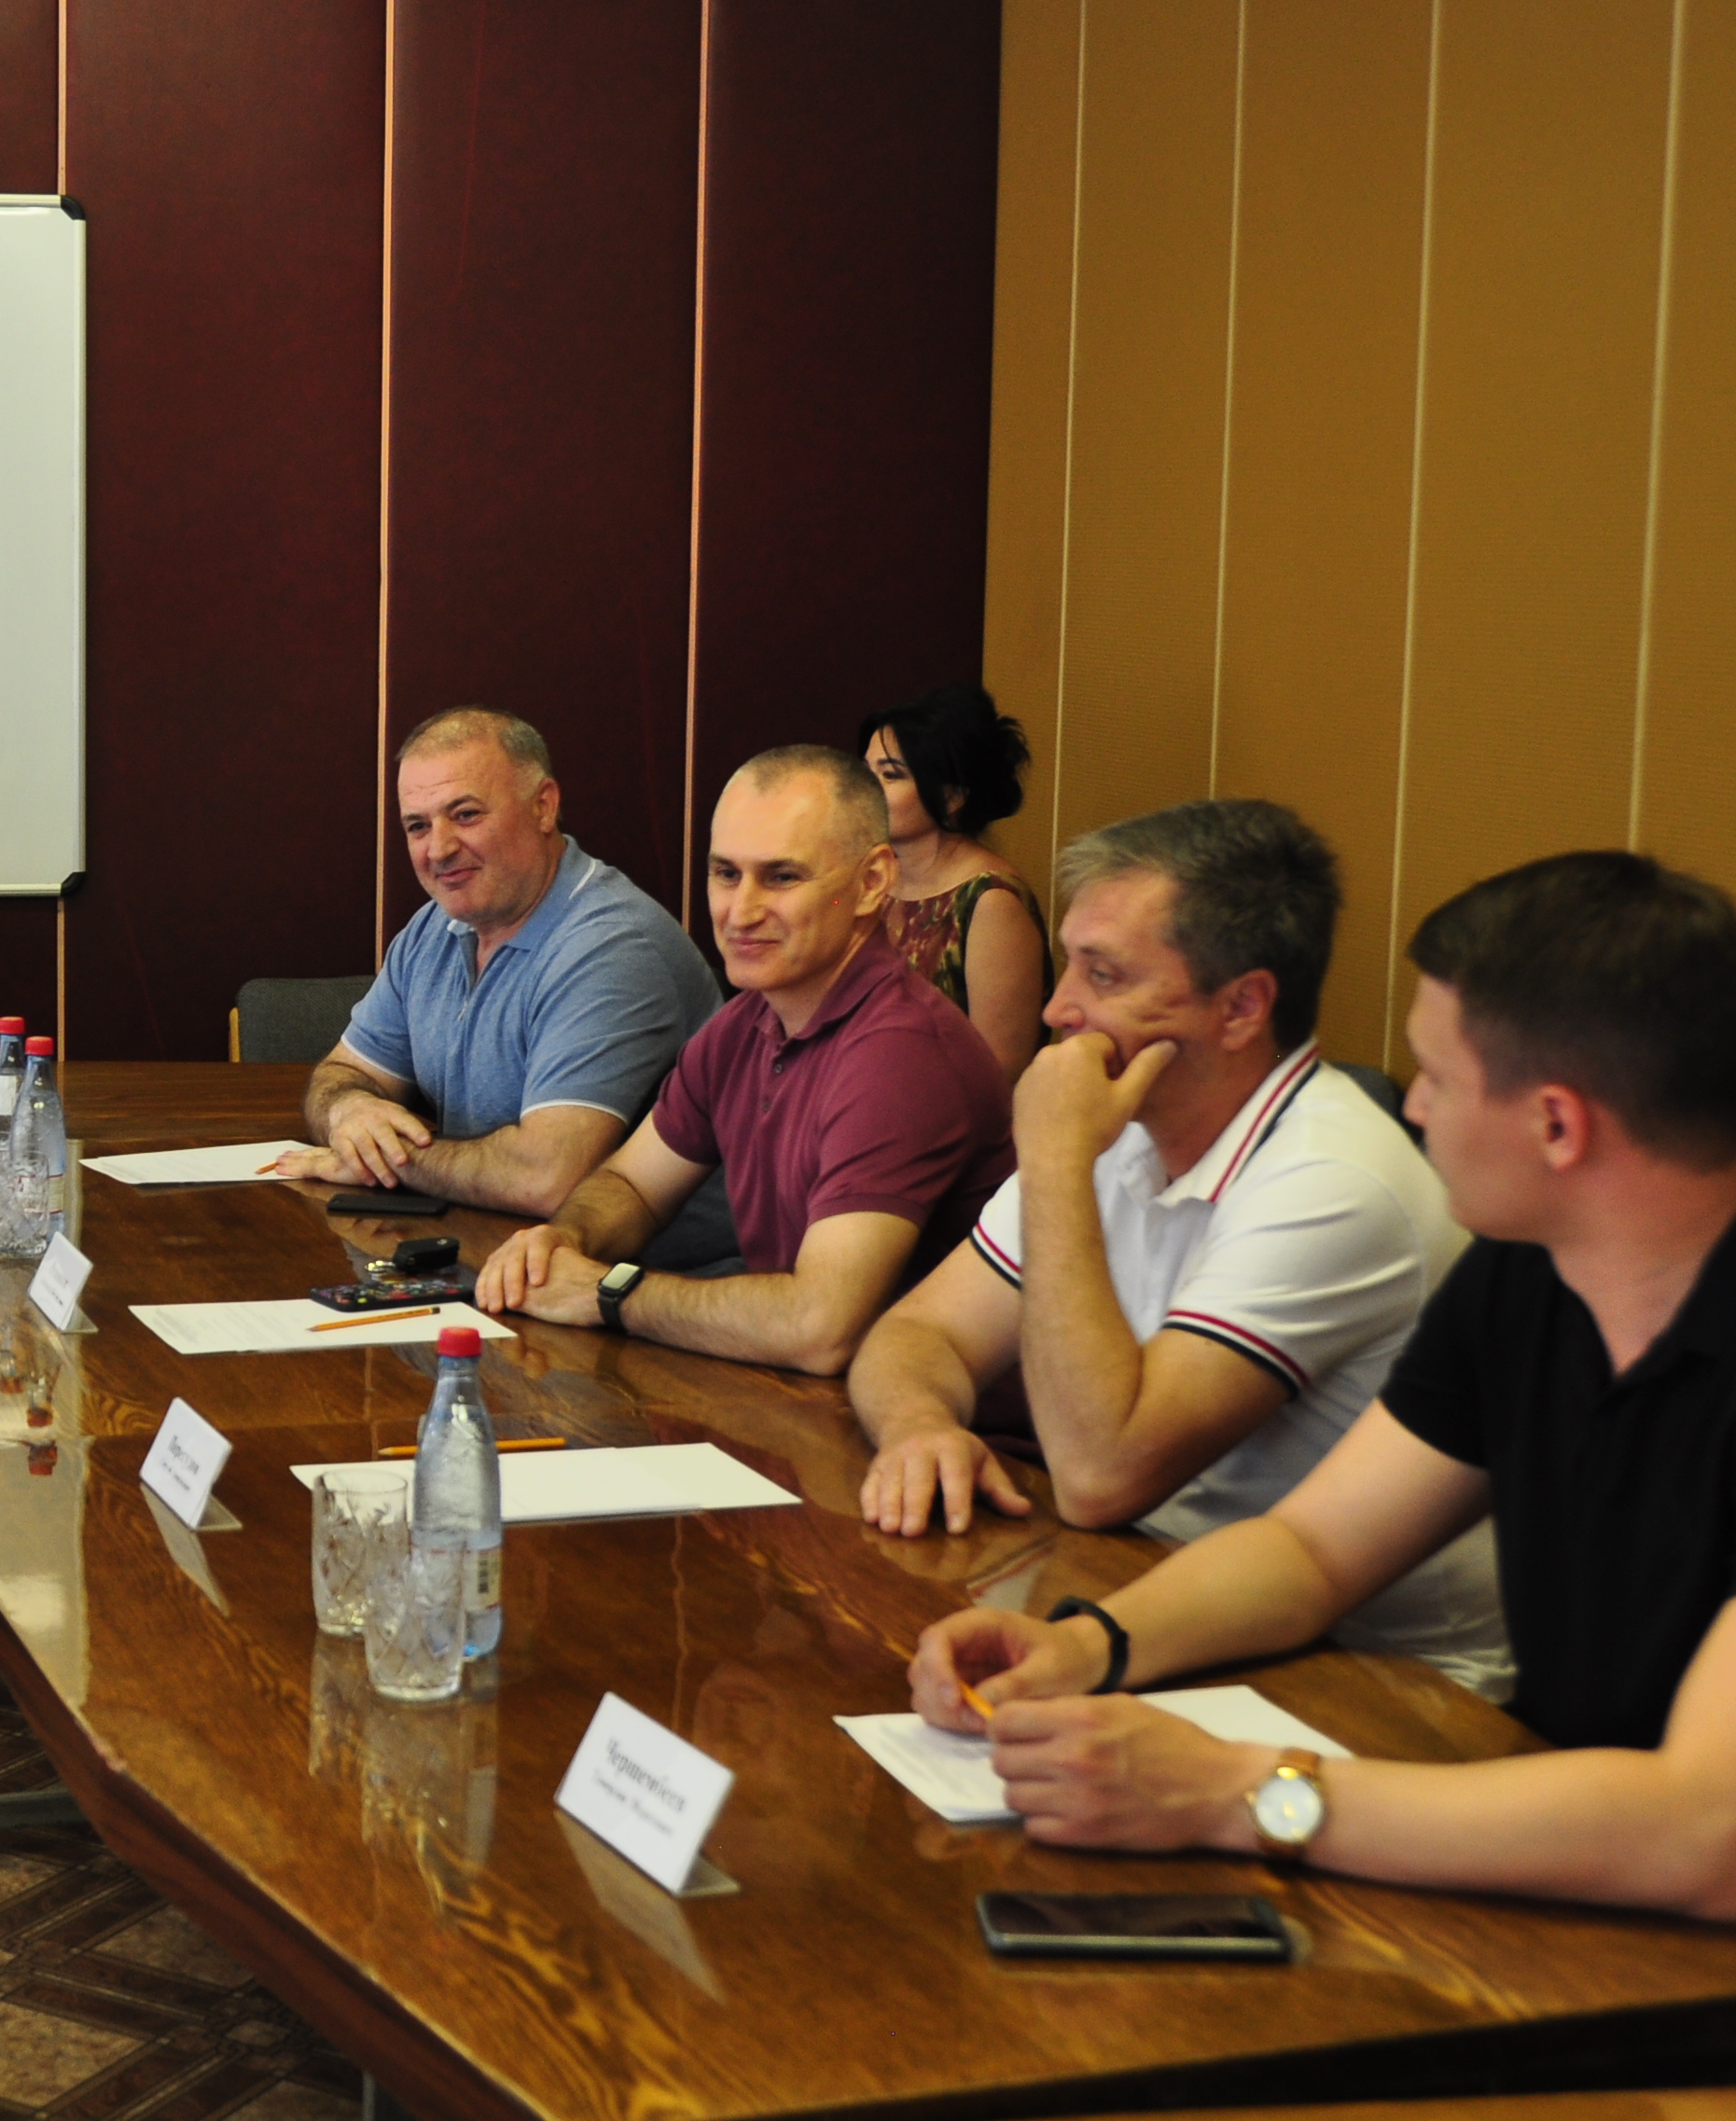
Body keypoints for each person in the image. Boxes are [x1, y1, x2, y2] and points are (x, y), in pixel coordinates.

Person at [908, 853, 1736, 2078]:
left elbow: (1715, 1832)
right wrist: (1089, 1647)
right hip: (1602, 1928)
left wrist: (1234, 1794)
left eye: (1435, 1075)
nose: (1413, 1110)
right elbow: (1313, 1550)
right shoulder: (1534, 1274)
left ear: (1556, 1124)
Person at [850, 799, 1508, 1695]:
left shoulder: (1335, 1179)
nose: (1057, 1008)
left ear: (1241, 1008)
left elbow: (1099, 1476)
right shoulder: (1119, 1122)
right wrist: (920, 1424)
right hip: (1153, 1596)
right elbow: (918, 1334)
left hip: (1379, 1679)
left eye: (1104, 976)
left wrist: (1053, 1161)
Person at [473, 747, 1008, 1375]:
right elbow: (633, 1186)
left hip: (946, 1421)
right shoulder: (744, 1023)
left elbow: (818, 1327)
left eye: (781, 877)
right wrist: (561, 1242)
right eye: (726, 874)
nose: (741, 912)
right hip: (796, 1395)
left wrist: (604, 1291)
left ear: (871, 884)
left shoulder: (902, 1056)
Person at [275, 707, 725, 1260]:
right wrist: (349, 1112)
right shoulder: (434, 928)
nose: (438, 849)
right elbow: (344, 1073)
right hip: (493, 1259)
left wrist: (385, 1159)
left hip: (651, 1284)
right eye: (418, 826)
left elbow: (547, 1176)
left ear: (544, 806)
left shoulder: (612, 946)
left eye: (465, 815)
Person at [862, 682, 1048, 1082]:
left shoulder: (991, 901)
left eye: (890, 775)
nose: (864, 790)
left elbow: (999, 1072)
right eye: (866, 772)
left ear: (951, 797)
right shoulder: (869, 880)